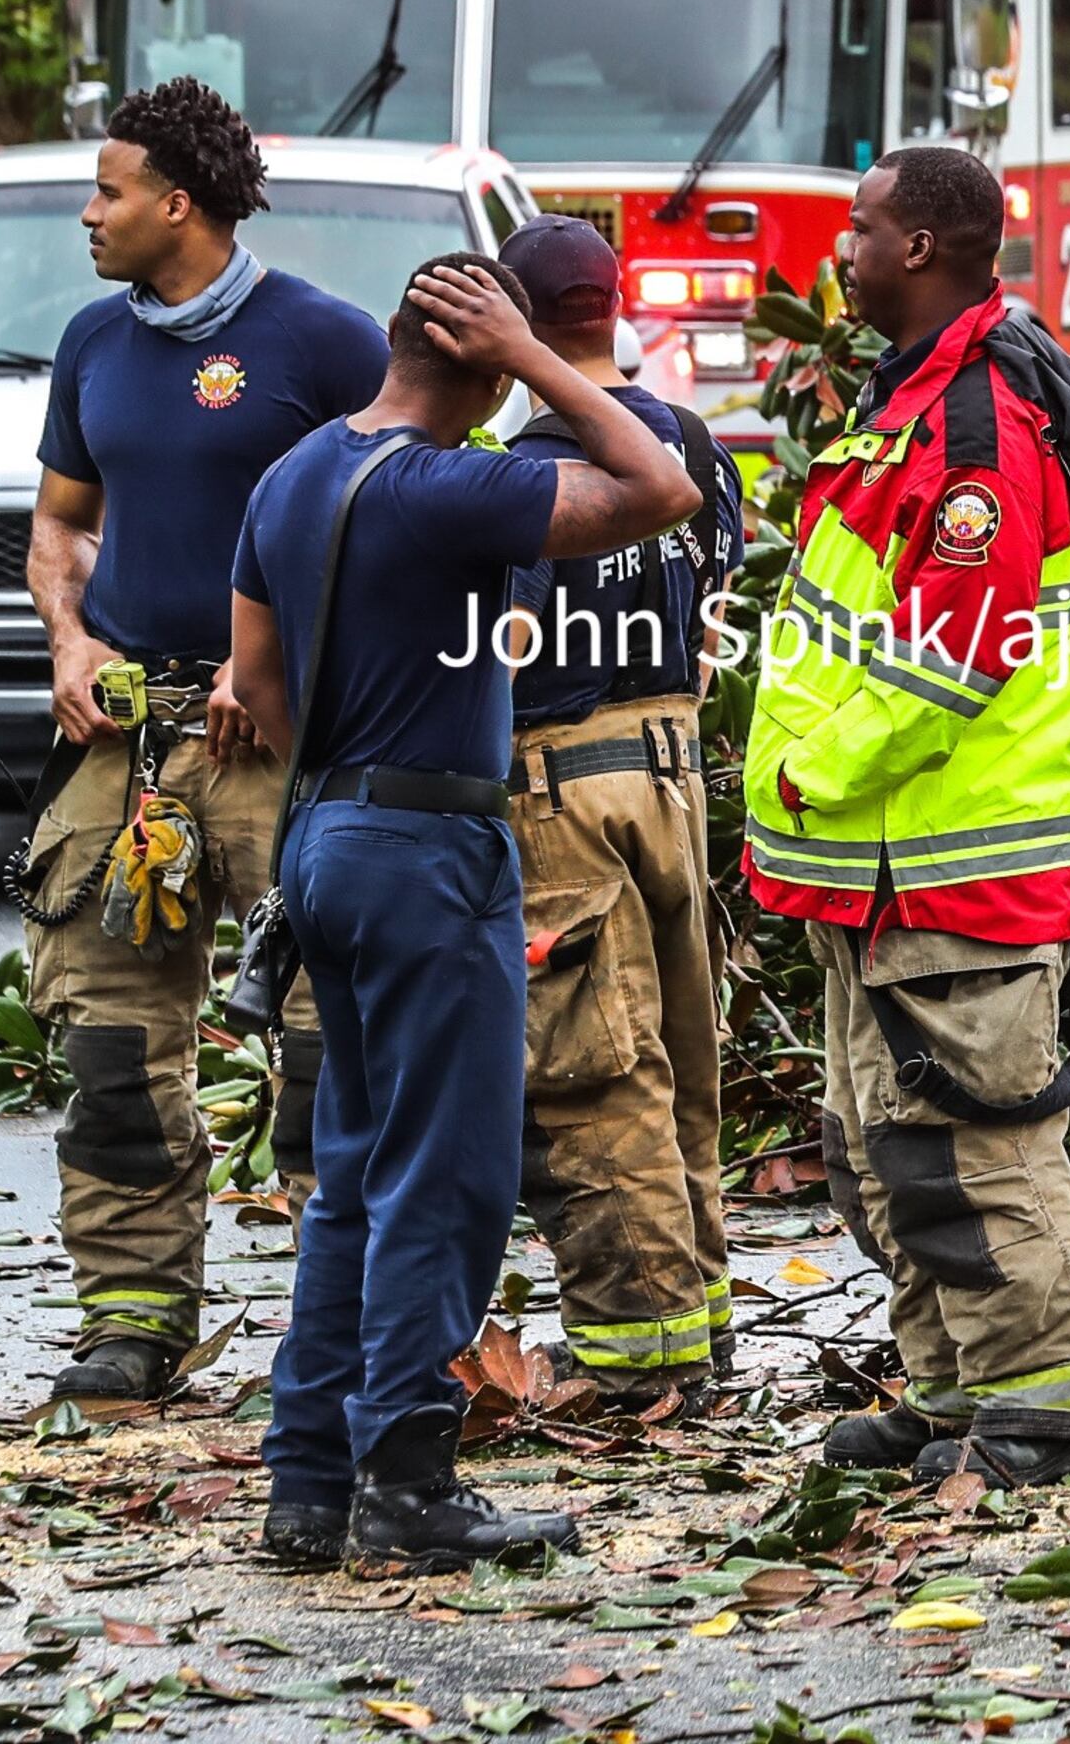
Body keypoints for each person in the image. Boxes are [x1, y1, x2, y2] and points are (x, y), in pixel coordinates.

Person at [225, 255, 699, 1569]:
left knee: (355, 1176)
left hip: (323, 837)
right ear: (486, 367)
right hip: (433, 852)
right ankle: (409, 1486)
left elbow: (253, 680)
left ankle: (308, 1485)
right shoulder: (450, 486)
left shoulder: (294, 474)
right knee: (450, 1177)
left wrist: (345, 800)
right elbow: (660, 487)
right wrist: (546, 360)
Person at [743, 146, 1070, 1489]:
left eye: (857, 232)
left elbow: (955, 654)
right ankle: (955, 1390)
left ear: (917, 248)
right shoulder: (914, 395)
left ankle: (1054, 1407)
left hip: (944, 856)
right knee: (893, 1153)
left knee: (978, 1152)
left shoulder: (977, 418)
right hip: (881, 866)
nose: (839, 255)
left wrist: (813, 774)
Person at [22, 77, 387, 1404]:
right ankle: (133, 1321)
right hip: (127, 749)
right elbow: (61, 526)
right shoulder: (91, 345)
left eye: (108, 191)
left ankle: (342, 1328)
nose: (89, 213)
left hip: (279, 751)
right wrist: (70, 638)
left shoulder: (328, 346)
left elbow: (400, 521)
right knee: (109, 1043)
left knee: (324, 1044)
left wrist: (277, 656)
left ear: (178, 202)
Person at [490, 216, 746, 1405]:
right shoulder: (693, 442)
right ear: (613, 303)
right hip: (673, 775)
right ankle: (705, 1313)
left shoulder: (530, 469)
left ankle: (641, 1357)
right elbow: (710, 626)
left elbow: (513, 640)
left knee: (599, 1075)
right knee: (687, 1056)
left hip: (560, 794)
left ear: (521, 322)